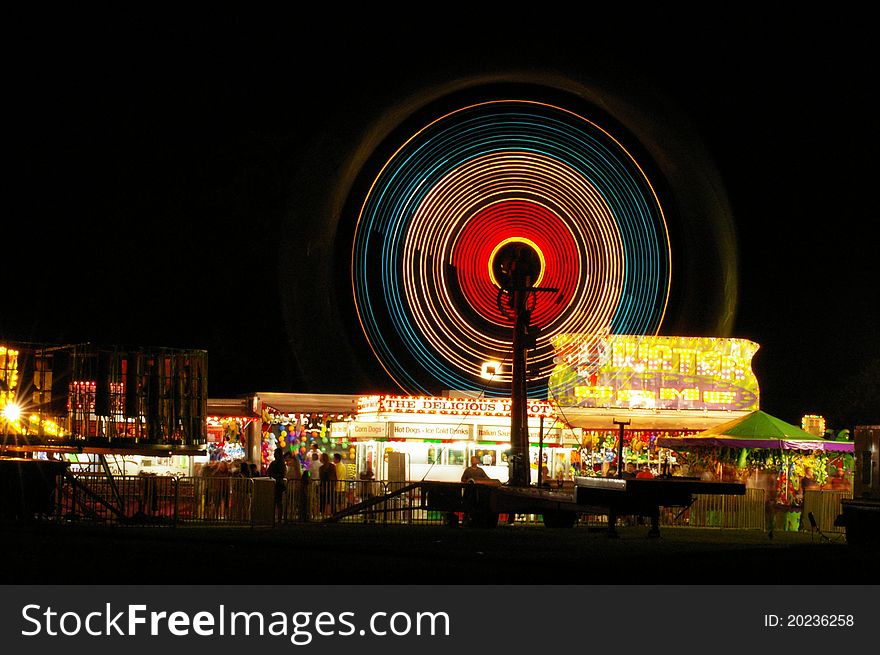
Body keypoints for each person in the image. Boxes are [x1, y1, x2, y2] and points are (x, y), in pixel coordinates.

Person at [266, 447, 287, 524]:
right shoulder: (281, 463)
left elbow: (269, 472)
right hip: (278, 484)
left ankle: (276, 518)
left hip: (276, 484)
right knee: (278, 502)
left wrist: (273, 475)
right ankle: (278, 518)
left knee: (276, 501)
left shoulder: (276, 463)